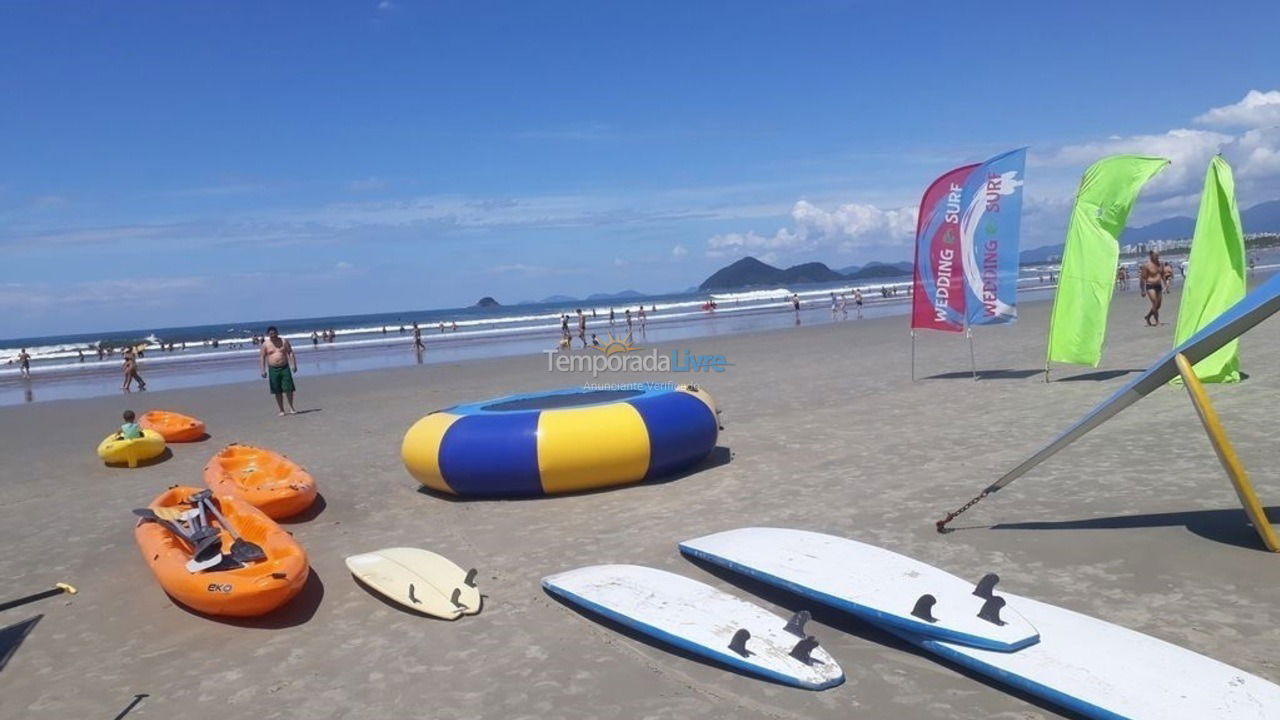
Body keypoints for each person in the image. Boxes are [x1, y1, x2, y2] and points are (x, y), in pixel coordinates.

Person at [259, 326, 298, 416]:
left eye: (274, 333)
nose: (272, 335)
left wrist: (294, 365)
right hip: (273, 369)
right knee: (277, 390)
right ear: (268, 335)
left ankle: (291, 408)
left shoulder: (284, 341)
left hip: (284, 367)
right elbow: (262, 357)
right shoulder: (265, 344)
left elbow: (290, 352)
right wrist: (262, 370)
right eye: (270, 334)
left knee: (288, 388)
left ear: (277, 333)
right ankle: (281, 410)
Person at [1140, 250, 1164, 326]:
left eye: (1158, 255)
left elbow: (1162, 275)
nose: (1158, 256)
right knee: (1154, 302)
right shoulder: (1146, 265)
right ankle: (1157, 321)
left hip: (1159, 286)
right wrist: (1143, 290)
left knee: (1158, 305)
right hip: (1150, 285)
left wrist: (1166, 285)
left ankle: (1148, 316)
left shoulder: (1161, 264)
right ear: (1151, 255)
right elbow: (1143, 278)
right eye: (1156, 255)